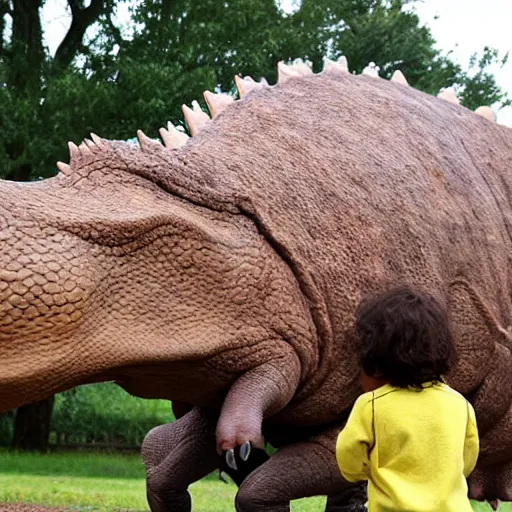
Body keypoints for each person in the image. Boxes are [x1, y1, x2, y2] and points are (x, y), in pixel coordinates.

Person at [336, 285, 479, 512]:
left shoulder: (371, 406)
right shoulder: (460, 404)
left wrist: (372, 471)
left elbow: (349, 461)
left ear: (375, 355)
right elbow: (466, 460)